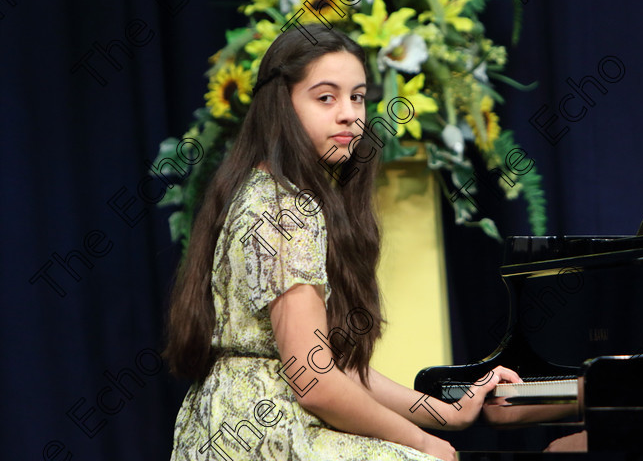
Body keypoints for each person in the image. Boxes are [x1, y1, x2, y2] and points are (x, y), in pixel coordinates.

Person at [164, 24, 522, 461]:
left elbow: (331, 368)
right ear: (282, 105)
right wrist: (427, 444)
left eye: (358, 96)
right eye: (325, 97)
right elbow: (315, 384)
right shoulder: (285, 210)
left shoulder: (258, 190)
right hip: (271, 433)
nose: (350, 113)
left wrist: (446, 414)